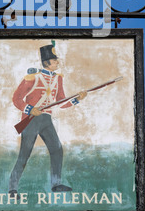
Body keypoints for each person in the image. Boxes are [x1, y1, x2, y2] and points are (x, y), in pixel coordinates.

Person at [9, 42, 87, 195]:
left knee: (57, 149)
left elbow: (61, 101)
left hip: (46, 119)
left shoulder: (58, 79)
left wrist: (77, 99)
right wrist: (30, 109)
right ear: (47, 63)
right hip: (30, 120)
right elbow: (16, 98)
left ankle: (56, 184)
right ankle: (12, 188)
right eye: (55, 60)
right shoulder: (33, 78)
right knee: (24, 154)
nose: (57, 62)